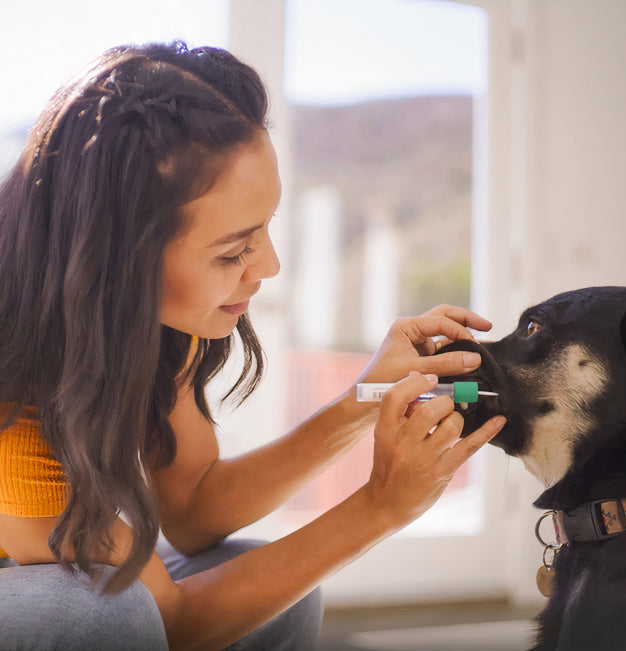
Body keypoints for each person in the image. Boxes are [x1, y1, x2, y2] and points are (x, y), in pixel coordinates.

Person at [0, 41, 506, 650]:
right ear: (118, 259)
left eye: (265, 228)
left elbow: (192, 507)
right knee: (98, 616)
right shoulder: (16, 383)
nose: (268, 265)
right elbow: (173, 621)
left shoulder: (152, 324)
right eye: (233, 250)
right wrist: (381, 507)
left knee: (271, 594)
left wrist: (366, 395)